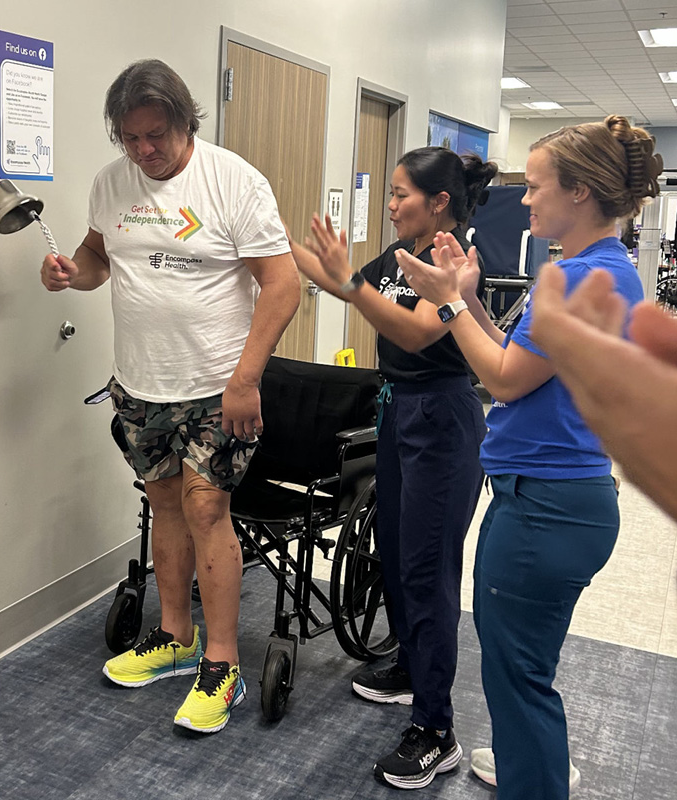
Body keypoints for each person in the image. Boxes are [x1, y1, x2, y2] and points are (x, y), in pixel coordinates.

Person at [396, 116, 661, 799]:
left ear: (579, 192)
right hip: (551, 499)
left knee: (519, 680)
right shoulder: (594, 271)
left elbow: (505, 382)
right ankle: (528, 763)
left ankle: (534, 774)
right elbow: (517, 360)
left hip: (547, 507)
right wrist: (468, 298)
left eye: (537, 187)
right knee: (520, 672)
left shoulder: (579, 278)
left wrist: (448, 306)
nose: (527, 199)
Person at [40, 59, 300, 734]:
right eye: (130, 138)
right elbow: (99, 257)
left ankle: (222, 664)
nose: (144, 150)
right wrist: (70, 273)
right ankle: (176, 636)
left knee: (207, 508)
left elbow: (282, 285)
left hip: (215, 387)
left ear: (186, 121)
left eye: (156, 135)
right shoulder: (111, 184)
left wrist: (246, 380)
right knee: (164, 507)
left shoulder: (233, 181)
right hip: (139, 385)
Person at [286, 146, 497, 790]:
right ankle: (411, 667)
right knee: (396, 555)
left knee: (428, 571)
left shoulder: (459, 260)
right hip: (398, 412)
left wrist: (347, 283)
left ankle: (436, 730)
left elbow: (412, 332)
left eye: (402, 193)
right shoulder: (399, 255)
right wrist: (266, 231)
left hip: (443, 420)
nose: (391, 204)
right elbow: (340, 279)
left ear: (440, 202)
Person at [531, 263, 677, 523]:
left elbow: (505, 381)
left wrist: (457, 306)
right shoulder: (611, 270)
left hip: (550, 480)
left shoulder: (581, 271)